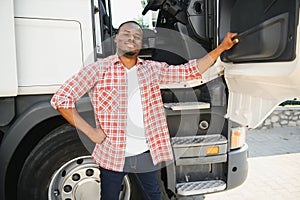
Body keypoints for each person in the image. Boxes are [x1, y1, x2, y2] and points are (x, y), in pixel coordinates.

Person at [50, 20, 238, 200]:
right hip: (112, 154)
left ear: (141, 43)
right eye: (126, 34)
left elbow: (189, 71)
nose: (131, 38)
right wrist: (91, 132)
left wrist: (221, 48)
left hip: (145, 153)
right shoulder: (98, 70)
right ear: (116, 38)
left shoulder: (151, 70)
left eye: (137, 36)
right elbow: (61, 99)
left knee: (153, 196)